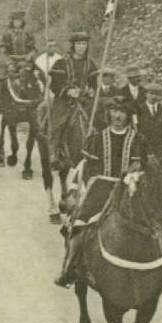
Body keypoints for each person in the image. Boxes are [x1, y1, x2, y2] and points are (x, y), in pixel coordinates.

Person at [55, 95, 143, 288]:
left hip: (128, 188)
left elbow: (137, 165)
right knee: (80, 225)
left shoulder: (137, 139)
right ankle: (69, 268)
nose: (118, 116)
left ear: (129, 116)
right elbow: (87, 168)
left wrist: (131, 179)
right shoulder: (96, 138)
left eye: (122, 112)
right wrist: (86, 186)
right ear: (108, 113)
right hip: (100, 187)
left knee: (153, 223)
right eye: (114, 111)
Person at [46, 32, 98, 167]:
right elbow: (54, 84)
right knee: (59, 121)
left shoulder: (90, 63)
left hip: (84, 99)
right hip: (65, 100)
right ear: (73, 46)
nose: (82, 47)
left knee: (99, 117)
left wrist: (92, 90)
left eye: (84, 44)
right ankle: (54, 152)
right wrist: (67, 91)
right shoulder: (62, 63)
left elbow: (94, 82)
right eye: (79, 44)